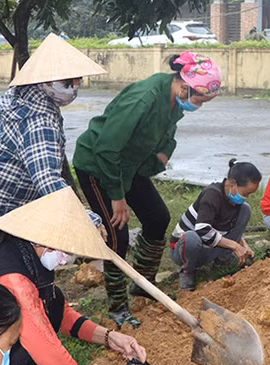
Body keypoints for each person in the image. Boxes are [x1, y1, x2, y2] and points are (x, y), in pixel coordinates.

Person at [73, 51, 222, 328]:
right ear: (184, 86)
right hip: (99, 165)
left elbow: (168, 132)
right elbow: (106, 148)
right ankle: (117, 307)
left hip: (130, 164)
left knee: (157, 217)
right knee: (116, 234)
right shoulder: (143, 99)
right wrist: (117, 197)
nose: (198, 106)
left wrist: (165, 152)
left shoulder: (175, 99)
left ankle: (143, 285)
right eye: (199, 100)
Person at [0, 188, 143, 365]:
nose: (64, 261)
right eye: (65, 252)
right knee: (33, 355)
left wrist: (110, 337)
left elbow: (60, 314)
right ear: (46, 241)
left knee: (52, 304)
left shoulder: (27, 255)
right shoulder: (14, 279)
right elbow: (50, 357)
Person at [0, 33, 107, 250]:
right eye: (67, 82)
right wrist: (87, 220)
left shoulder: (28, 95)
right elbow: (47, 179)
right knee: (10, 269)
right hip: (0, 204)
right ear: (45, 80)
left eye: (77, 81)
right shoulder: (38, 120)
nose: (73, 88)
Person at [169, 159, 261, 290]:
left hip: (209, 247)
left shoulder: (234, 200)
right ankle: (187, 271)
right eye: (246, 193)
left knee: (246, 209)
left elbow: (229, 227)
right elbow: (202, 230)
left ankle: (223, 259)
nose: (246, 197)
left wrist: (243, 246)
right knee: (191, 237)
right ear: (232, 184)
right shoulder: (212, 195)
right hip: (184, 249)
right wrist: (234, 246)